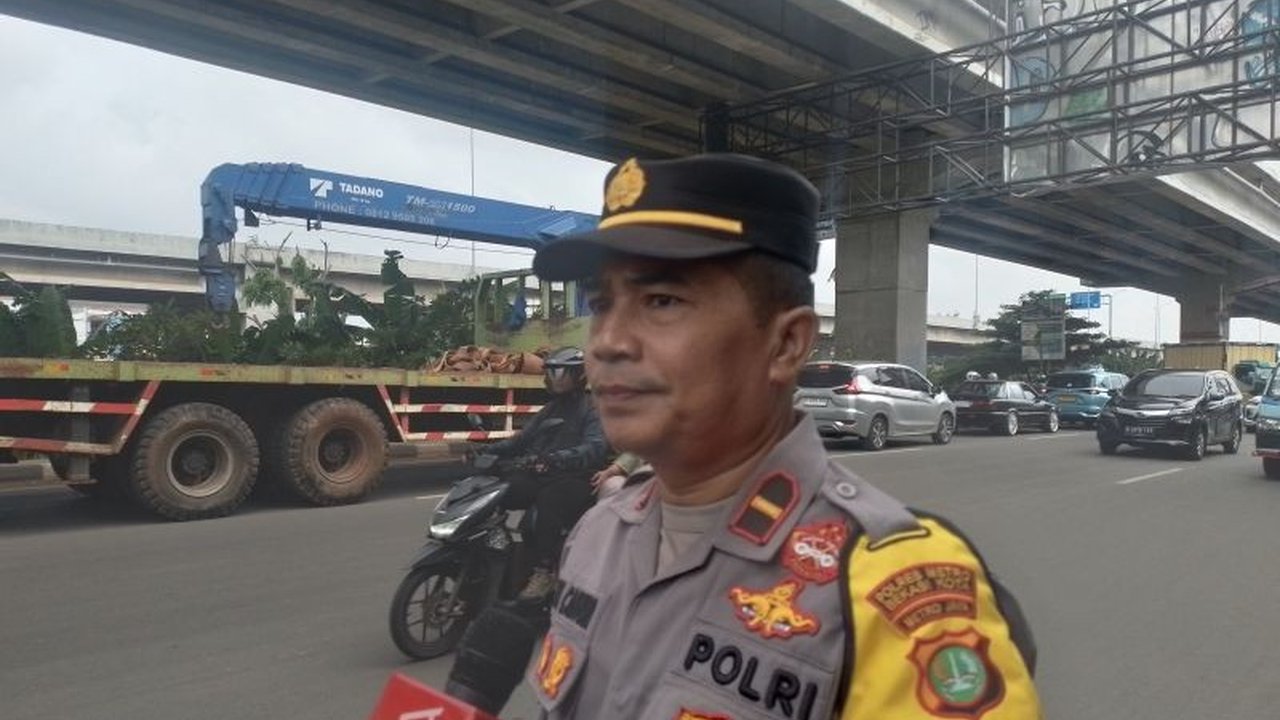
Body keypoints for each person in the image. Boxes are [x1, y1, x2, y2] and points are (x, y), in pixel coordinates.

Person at [524, 154, 1042, 718]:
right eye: (602, 305)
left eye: (662, 301)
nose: (607, 342)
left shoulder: (887, 587)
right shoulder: (599, 532)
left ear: (787, 344)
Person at [471, 346, 609, 599]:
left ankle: (545, 571)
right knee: (501, 490)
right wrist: (488, 451)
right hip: (545, 472)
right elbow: (521, 441)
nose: (557, 379)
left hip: (578, 476)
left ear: (578, 375)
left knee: (549, 502)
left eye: (563, 373)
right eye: (553, 373)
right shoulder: (551, 409)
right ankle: (493, 553)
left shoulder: (591, 408)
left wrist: (556, 458)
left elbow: (595, 448)